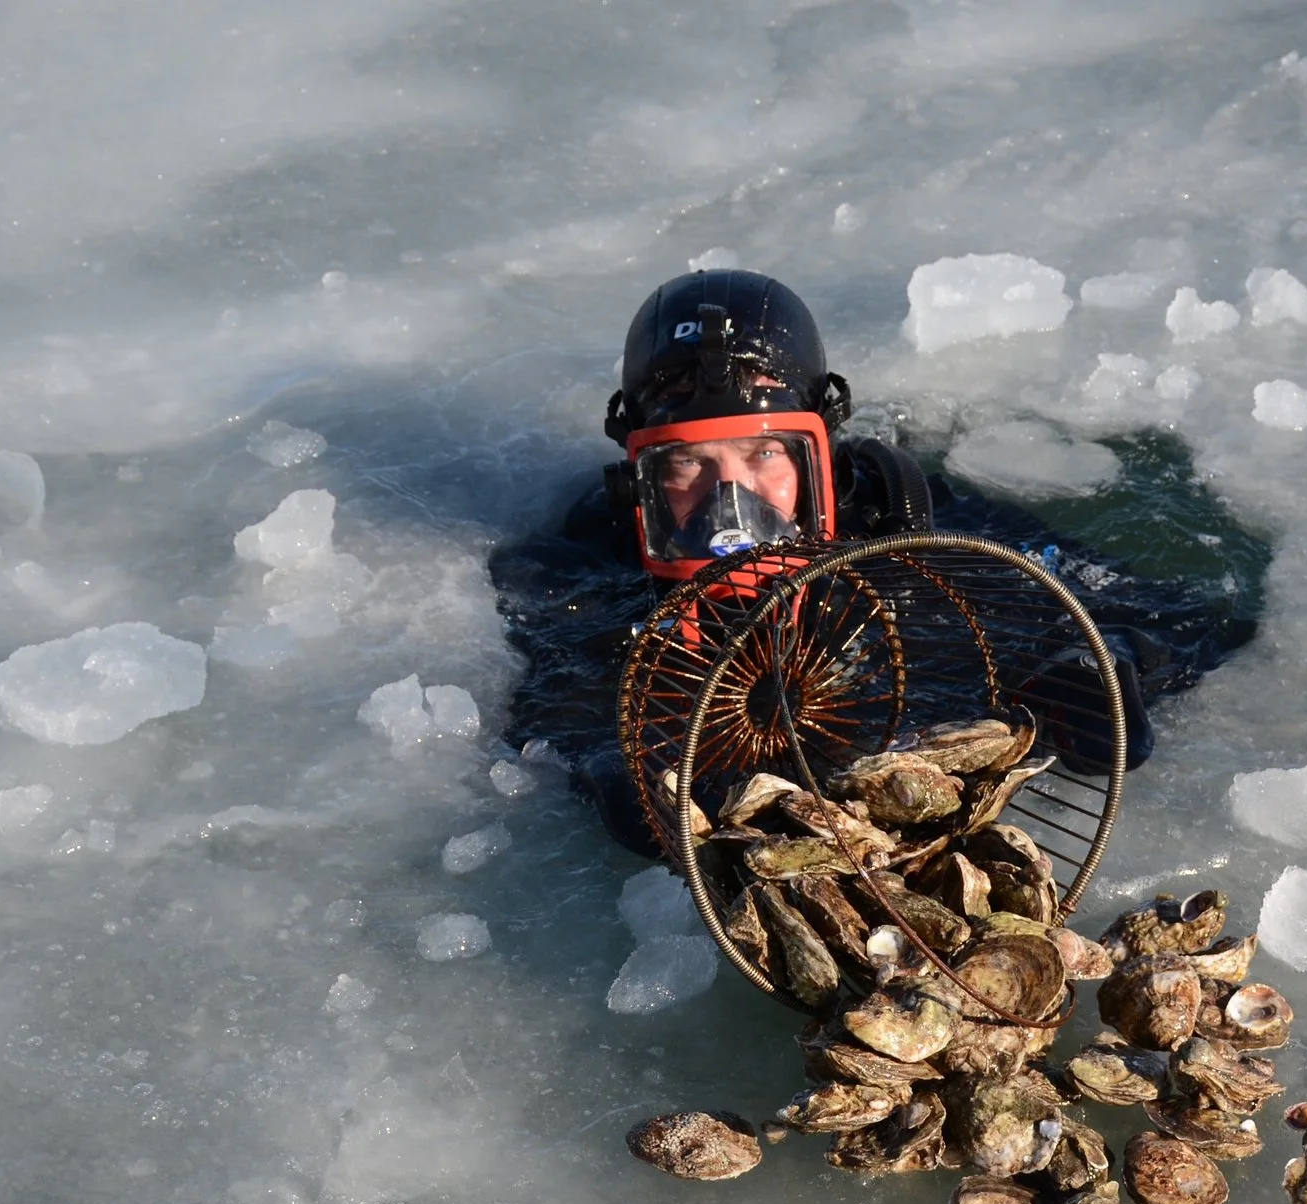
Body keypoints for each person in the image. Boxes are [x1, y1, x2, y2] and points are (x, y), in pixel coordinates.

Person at [491, 269, 1267, 856]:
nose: (735, 503)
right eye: (688, 466)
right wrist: (603, 760)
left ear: (822, 448)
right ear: (638, 477)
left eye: (767, 454)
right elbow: (552, 702)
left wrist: (1121, 658)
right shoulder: (588, 564)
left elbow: (1177, 614)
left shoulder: (907, 523)